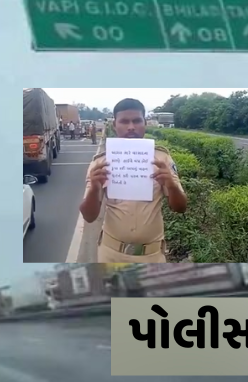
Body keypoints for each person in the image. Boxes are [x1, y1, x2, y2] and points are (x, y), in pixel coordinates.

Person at [79, 98, 187, 263]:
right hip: (111, 254)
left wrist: (171, 186)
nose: (131, 127)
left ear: (145, 123)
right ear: (114, 125)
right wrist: (94, 188)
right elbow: (89, 216)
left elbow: (180, 208)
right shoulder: (101, 163)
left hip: (152, 256)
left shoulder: (161, 159)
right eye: (124, 121)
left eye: (137, 121)